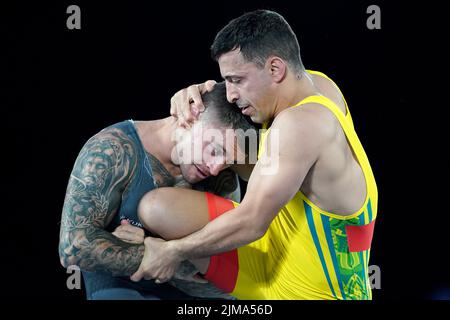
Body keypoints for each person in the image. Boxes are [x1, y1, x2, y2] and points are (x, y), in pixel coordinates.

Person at [128, 10, 378, 300]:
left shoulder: (300, 125)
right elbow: (269, 162)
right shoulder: (318, 85)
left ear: (275, 69)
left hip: (306, 293)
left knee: (169, 240)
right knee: (157, 208)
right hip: (278, 248)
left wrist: (170, 251)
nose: (231, 94)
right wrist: (206, 97)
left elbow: (252, 222)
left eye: (236, 80)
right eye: (227, 81)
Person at [58, 83, 254, 299]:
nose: (216, 167)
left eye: (228, 161)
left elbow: (221, 283)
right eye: (215, 150)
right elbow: (73, 248)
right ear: (191, 115)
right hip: (121, 285)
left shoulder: (222, 178)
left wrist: (169, 253)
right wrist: (173, 259)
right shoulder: (112, 149)